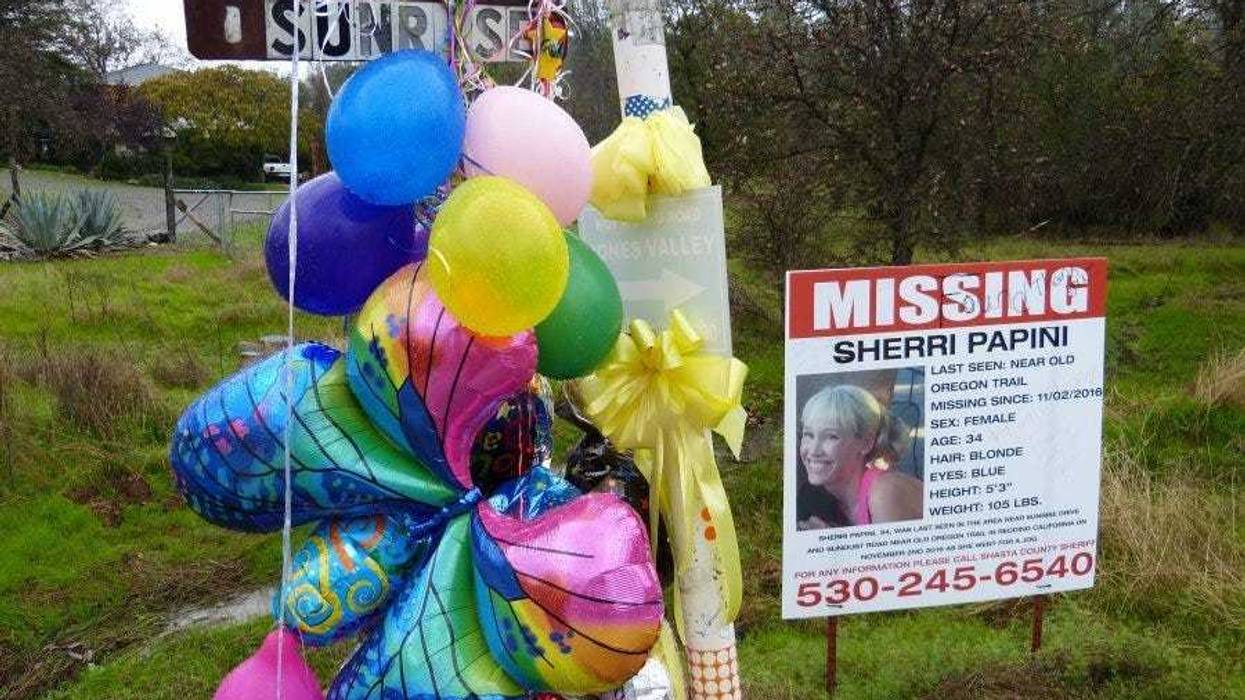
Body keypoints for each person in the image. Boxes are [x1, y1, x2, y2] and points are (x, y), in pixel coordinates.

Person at [797, 384, 922, 529]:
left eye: (831, 436)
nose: (813, 450)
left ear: (866, 443)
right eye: (808, 435)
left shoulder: (884, 493)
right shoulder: (817, 499)